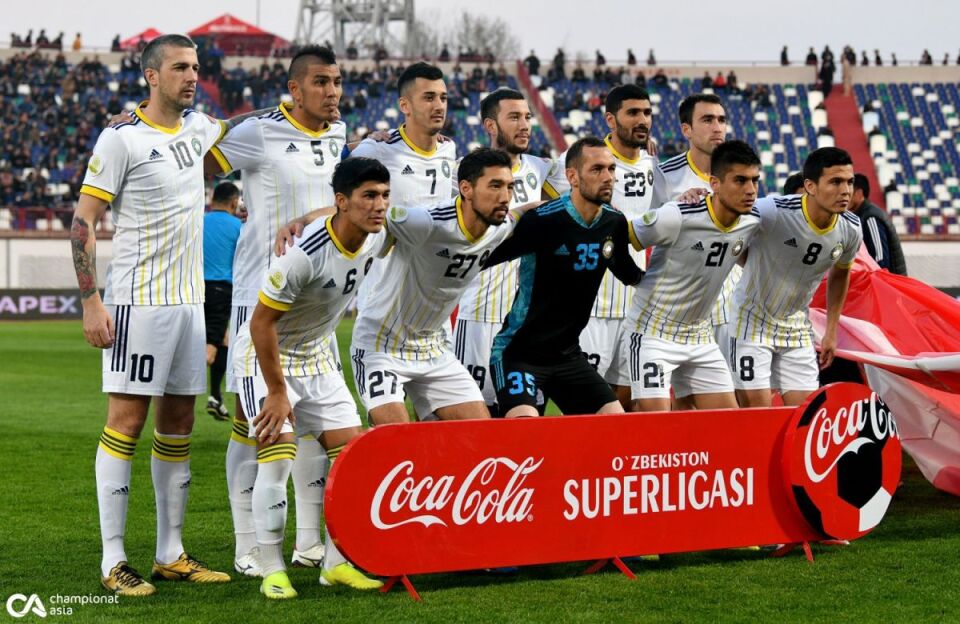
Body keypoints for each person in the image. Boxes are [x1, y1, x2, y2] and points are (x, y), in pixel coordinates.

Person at [71, 33, 230, 596]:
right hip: (138, 302)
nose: (192, 76)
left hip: (189, 304)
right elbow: (84, 221)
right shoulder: (121, 138)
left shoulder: (199, 128)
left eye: (196, 67)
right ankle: (113, 559)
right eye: (180, 67)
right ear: (152, 75)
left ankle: (170, 553)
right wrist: (91, 300)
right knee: (126, 423)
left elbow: (242, 131)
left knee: (179, 424)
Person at [208, 44, 348, 576]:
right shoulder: (259, 131)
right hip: (257, 296)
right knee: (256, 422)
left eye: (336, 82)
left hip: (316, 302)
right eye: (320, 82)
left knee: (312, 422)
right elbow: (201, 157)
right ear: (294, 89)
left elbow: (340, 204)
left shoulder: (338, 135)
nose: (332, 92)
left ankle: (309, 542)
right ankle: (248, 546)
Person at [235, 158, 391, 598]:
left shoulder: (377, 233)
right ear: (342, 201)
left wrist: (304, 215)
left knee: (353, 462)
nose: (379, 205)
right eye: (369, 196)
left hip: (318, 356)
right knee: (278, 459)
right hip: (267, 357)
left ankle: (335, 565)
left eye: (384, 195)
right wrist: (277, 392)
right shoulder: (304, 254)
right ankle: (272, 570)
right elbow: (260, 323)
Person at [350, 149, 528, 426]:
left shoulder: (499, 225)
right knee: (396, 441)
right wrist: (304, 221)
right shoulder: (428, 222)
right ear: (466, 189)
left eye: (509, 187)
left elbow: (521, 212)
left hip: (434, 349)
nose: (505, 196)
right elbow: (361, 213)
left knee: (482, 436)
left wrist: (567, 202)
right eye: (495, 186)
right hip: (381, 346)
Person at [487, 137, 644, 418]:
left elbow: (630, 274)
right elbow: (485, 256)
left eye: (611, 169)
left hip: (568, 356)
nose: (608, 177)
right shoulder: (543, 220)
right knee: (525, 432)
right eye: (597, 169)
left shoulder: (614, 222)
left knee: (616, 427)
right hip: (519, 355)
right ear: (572, 176)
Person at [622, 140, 762, 413]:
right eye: (740, 180)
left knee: (729, 424)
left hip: (699, 335)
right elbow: (619, 235)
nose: (750, 190)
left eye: (755, 181)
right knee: (656, 423)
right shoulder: (678, 215)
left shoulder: (752, 220)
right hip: (653, 332)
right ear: (715, 183)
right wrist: (634, 277)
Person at [544, 85, 658, 407]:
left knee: (625, 398)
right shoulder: (587, 158)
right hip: (590, 305)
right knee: (585, 404)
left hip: (634, 303)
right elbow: (546, 197)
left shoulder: (651, 162)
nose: (642, 119)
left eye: (647, 113)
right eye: (632, 113)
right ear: (611, 119)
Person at [726, 147, 863, 408]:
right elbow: (728, 222)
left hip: (796, 328)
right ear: (810, 186)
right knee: (757, 414)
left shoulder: (851, 228)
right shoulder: (774, 211)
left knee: (805, 416)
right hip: (750, 322)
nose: (845, 190)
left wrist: (831, 331)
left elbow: (840, 274)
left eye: (849, 182)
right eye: (835, 182)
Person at [454, 89, 553, 416]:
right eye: (514, 117)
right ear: (490, 126)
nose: (524, 125)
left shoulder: (542, 169)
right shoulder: (462, 172)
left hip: (523, 321)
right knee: (472, 421)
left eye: (527, 117)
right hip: (479, 315)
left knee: (526, 417)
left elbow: (590, 166)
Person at [350, 62, 458, 314]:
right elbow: (332, 182)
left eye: (443, 98)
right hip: (383, 298)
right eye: (429, 97)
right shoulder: (378, 149)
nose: (439, 105)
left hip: (431, 297)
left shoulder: (448, 149)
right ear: (405, 105)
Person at [202, 181, 242, 421]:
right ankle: (174, 389)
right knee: (210, 348)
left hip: (196, 290)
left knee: (224, 340)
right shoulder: (239, 227)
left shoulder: (199, 222)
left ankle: (215, 397)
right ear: (234, 202)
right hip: (222, 291)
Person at [850, 173, 907, 275]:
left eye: (848, 192)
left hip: (886, 282)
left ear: (858, 193)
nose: (844, 197)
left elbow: (880, 261)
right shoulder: (863, 215)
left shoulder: (871, 217)